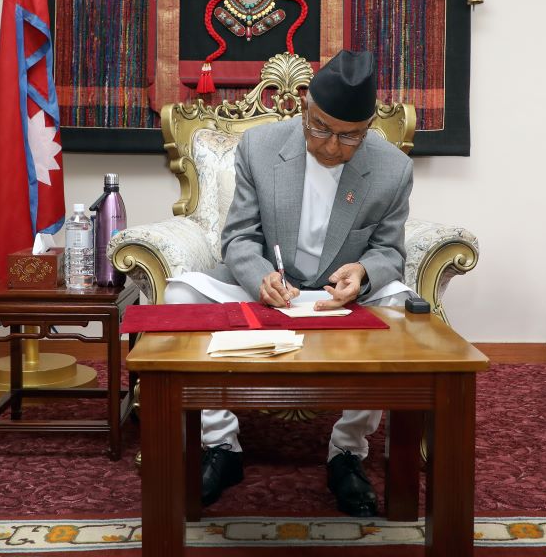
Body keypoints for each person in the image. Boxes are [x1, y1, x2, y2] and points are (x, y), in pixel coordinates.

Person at [165, 49, 416, 518]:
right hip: (271, 286)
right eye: (320, 128)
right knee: (179, 295)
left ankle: (347, 451)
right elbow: (239, 236)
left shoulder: (393, 168)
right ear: (304, 109)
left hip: (337, 296)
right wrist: (259, 276)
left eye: (349, 136)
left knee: (403, 307)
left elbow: (389, 251)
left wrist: (363, 274)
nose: (332, 146)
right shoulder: (260, 147)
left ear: (367, 129)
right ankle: (221, 445)